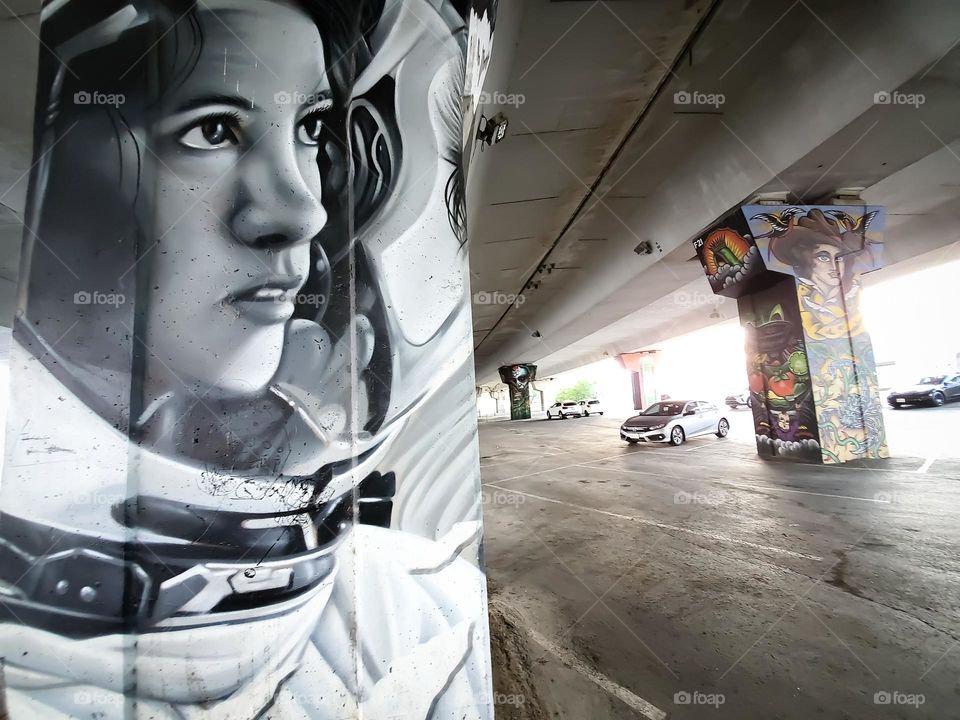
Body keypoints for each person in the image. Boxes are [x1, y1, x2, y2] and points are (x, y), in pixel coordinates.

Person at [0, 1, 492, 717]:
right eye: (212, 130)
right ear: (57, 184)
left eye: (311, 129)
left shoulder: (423, 620)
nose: (303, 211)